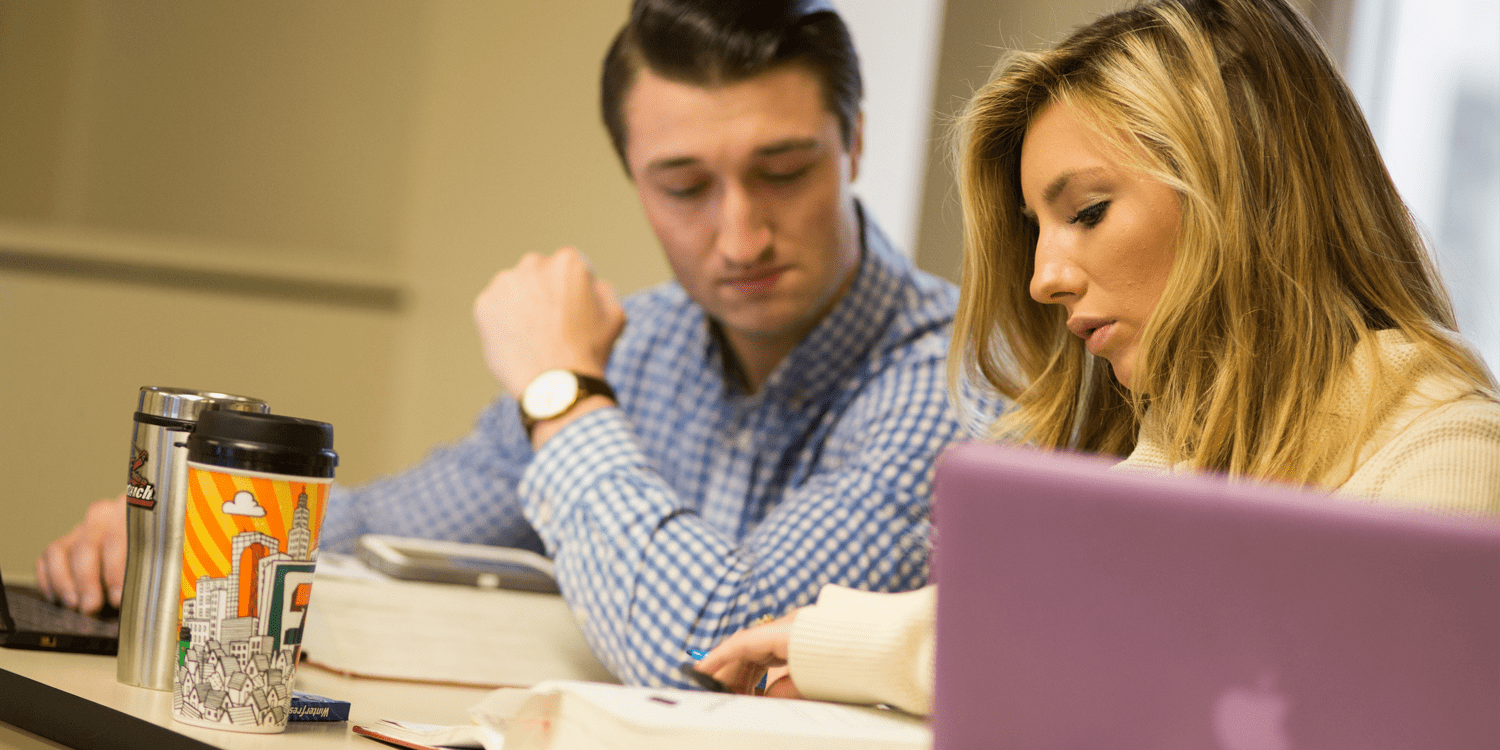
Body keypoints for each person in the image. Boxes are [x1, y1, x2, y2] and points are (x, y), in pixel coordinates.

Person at [35, 0, 978, 688]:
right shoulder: (637, 345)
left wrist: (564, 390)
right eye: (685, 188)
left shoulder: (953, 378)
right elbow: (390, 527)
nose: (739, 237)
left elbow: (718, 645)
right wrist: (192, 527)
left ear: (853, 143)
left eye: (782, 171)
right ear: (634, 179)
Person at [695, 0, 1500, 714]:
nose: (1044, 279)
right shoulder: (1171, 444)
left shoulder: (1447, 448)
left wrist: (864, 646)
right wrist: (847, 649)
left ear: (1245, 187)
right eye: (1037, 230)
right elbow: (1074, 630)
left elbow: (1164, 663)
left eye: (1088, 211)